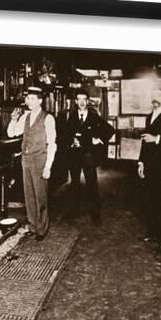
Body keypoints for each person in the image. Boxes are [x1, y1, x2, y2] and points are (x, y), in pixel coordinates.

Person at [7, 86, 57, 241]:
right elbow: (12, 133)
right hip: (26, 160)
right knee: (28, 195)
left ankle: (42, 229)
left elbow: (52, 143)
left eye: (32, 98)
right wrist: (13, 120)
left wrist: (48, 166)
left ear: (40, 100)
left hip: (40, 159)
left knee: (40, 195)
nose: (29, 101)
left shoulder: (48, 118)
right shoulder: (25, 117)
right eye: (28, 98)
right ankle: (33, 225)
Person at [65, 89, 115, 225]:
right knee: (74, 184)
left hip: (89, 157)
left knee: (92, 186)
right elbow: (66, 133)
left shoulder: (94, 117)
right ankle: (73, 211)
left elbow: (110, 130)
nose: (81, 102)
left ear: (88, 101)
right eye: (79, 99)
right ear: (76, 102)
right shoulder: (72, 116)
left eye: (84, 99)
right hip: (74, 157)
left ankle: (95, 215)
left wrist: (98, 139)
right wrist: (71, 141)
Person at [137, 87, 161, 253]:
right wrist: (141, 162)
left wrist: (156, 139)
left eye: (158, 95)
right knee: (150, 199)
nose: (155, 98)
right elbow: (144, 141)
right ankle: (153, 233)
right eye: (153, 95)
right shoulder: (150, 116)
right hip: (149, 165)